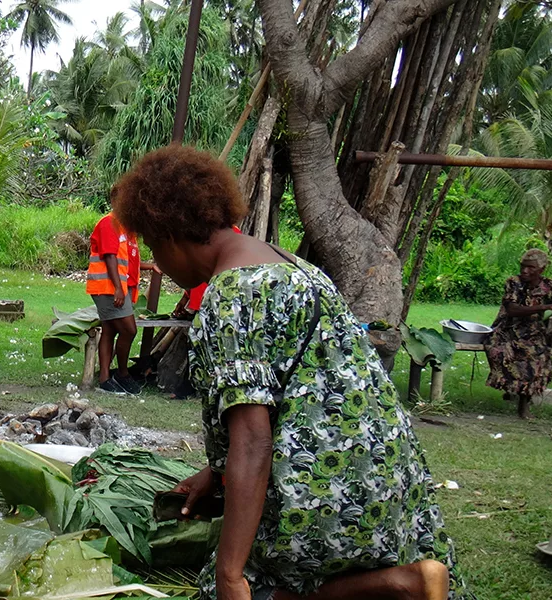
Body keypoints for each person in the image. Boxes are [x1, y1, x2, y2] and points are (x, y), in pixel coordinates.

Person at [113, 145, 471, 600]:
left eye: (151, 246)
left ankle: (402, 584)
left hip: (324, 496)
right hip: (384, 479)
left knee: (237, 590)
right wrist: (216, 472)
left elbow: (254, 440)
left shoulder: (231, 297)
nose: (156, 263)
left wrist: (229, 574)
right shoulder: (292, 267)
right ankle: (403, 580)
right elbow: (302, 397)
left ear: (169, 234)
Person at [486, 248, 552, 419]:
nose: (525, 271)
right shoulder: (514, 283)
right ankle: (512, 389)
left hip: (533, 332)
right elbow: (512, 310)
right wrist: (545, 307)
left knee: (537, 356)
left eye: (531, 268)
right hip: (506, 329)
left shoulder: (549, 286)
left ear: (541, 270)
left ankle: (523, 403)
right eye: (523, 266)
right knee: (502, 350)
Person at [86, 188, 142, 395]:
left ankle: (105, 378)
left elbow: (124, 260)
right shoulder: (109, 223)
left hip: (113, 286)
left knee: (110, 330)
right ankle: (123, 373)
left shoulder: (125, 228)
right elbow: (109, 256)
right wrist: (119, 288)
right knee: (129, 329)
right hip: (108, 287)